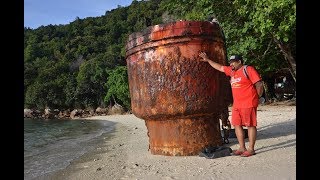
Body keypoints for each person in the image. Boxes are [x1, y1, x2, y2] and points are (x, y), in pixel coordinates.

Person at [198, 52, 264, 157]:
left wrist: (258, 98)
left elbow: (259, 84)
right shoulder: (232, 72)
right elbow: (219, 67)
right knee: (237, 125)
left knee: (250, 125)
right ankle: (242, 147)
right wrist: (208, 60)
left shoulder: (248, 69)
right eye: (230, 63)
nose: (231, 64)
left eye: (233, 62)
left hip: (248, 103)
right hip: (237, 104)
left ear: (240, 62)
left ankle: (251, 149)